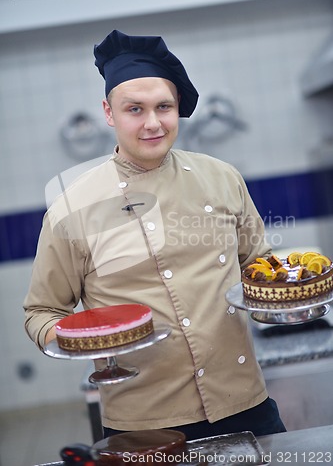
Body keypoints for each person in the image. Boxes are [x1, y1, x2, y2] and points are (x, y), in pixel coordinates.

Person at [24, 29, 286, 441]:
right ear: (109, 113)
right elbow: (41, 313)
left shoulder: (221, 177)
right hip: (144, 422)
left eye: (163, 107)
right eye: (134, 109)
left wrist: (286, 300)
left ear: (177, 107)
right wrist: (84, 339)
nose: (152, 123)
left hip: (245, 402)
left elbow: (260, 269)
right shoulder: (70, 208)